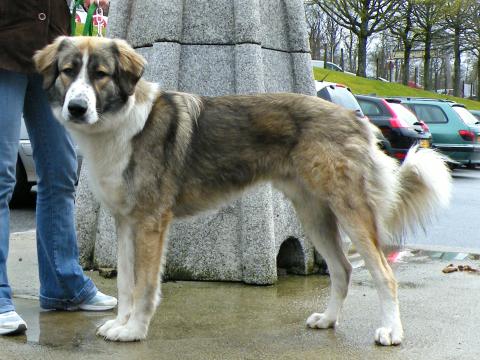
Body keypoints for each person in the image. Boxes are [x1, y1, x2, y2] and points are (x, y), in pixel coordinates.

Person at [0, 0, 116, 335]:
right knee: (2, 177)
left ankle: (63, 285)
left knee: (61, 172)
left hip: (52, 50)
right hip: (5, 44)